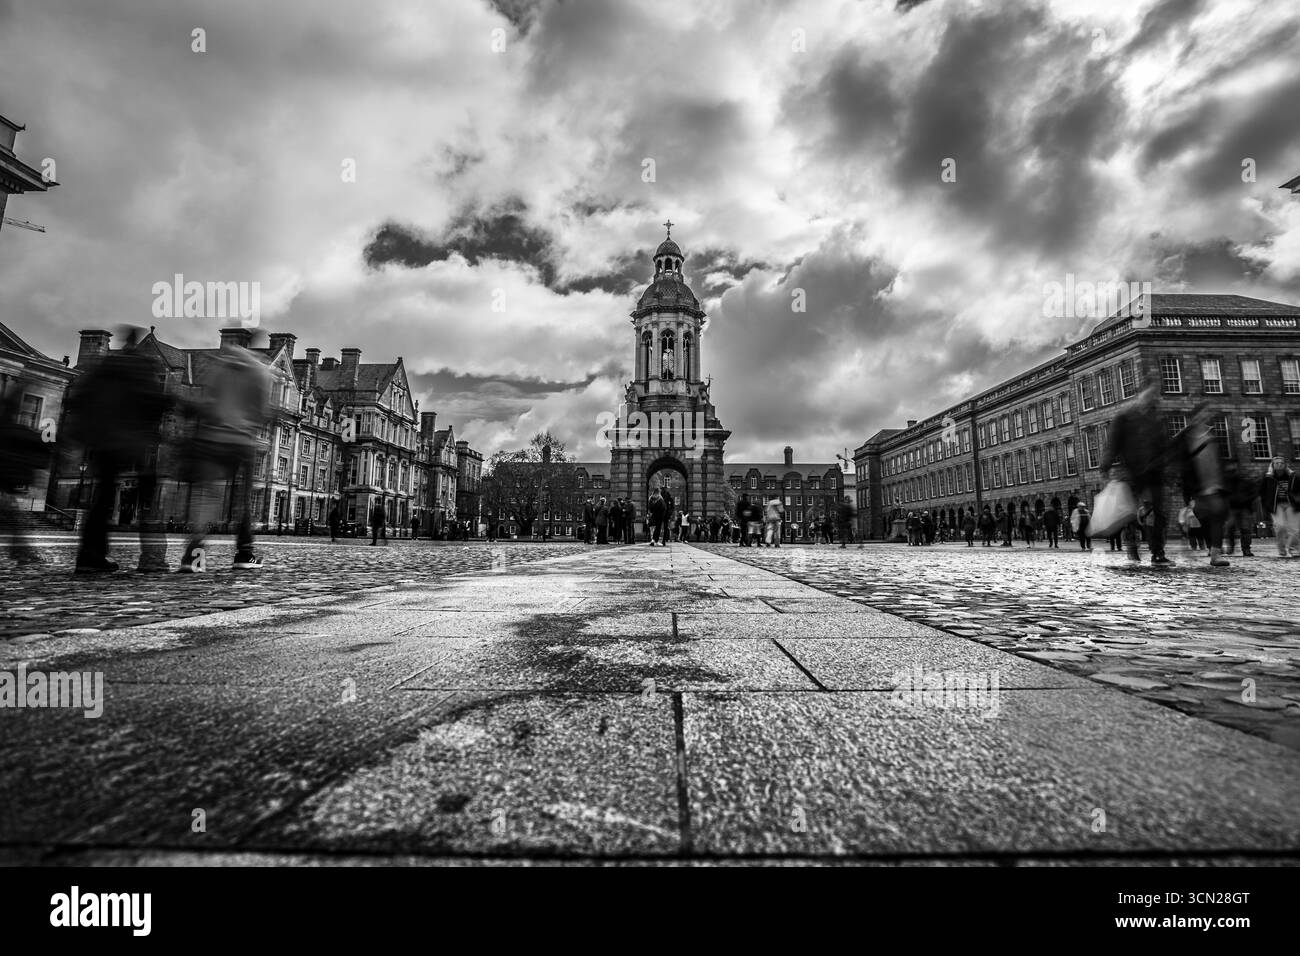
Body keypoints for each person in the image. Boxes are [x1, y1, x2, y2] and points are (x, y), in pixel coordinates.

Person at [64, 327, 172, 573]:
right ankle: (152, 559)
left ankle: (90, 556)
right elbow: (151, 400)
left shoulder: (105, 367)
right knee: (146, 496)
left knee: (101, 499)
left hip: (101, 440)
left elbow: (79, 398)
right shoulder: (142, 367)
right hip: (128, 441)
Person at [174, 335, 271, 571]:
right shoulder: (260, 370)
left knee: (207, 499)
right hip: (241, 440)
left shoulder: (220, 366)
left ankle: (193, 558)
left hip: (212, 438)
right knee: (242, 501)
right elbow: (261, 410)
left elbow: (208, 401)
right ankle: (244, 554)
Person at [1100, 381, 1170, 564]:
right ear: (1140, 394)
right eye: (1150, 394)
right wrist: (1105, 465)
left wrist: (1168, 466)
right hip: (1132, 471)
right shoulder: (1124, 416)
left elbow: (1165, 444)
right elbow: (1112, 442)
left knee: (1161, 512)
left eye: (1156, 395)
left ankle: (1158, 552)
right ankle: (1131, 546)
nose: (1153, 398)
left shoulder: (1157, 418)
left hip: (1155, 470)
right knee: (1129, 512)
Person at [1260, 456, 1300, 558]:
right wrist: (1269, 476)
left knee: (1295, 529)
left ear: (1285, 465)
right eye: (1276, 463)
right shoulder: (1268, 477)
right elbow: (1263, 492)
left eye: (1281, 463)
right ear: (1272, 466)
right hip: (1276, 505)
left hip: (1292, 504)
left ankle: (1294, 548)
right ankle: (1281, 548)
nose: (1279, 465)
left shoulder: (1294, 476)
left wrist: (1292, 474)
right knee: (1280, 526)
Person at [1223, 458, 1257, 556]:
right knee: (1230, 529)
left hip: (1245, 508)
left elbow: (1253, 493)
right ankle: (1232, 547)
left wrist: (1247, 500)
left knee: (1245, 529)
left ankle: (1246, 549)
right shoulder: (1226, 482)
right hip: (1231, 508)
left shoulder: (1245, 481)